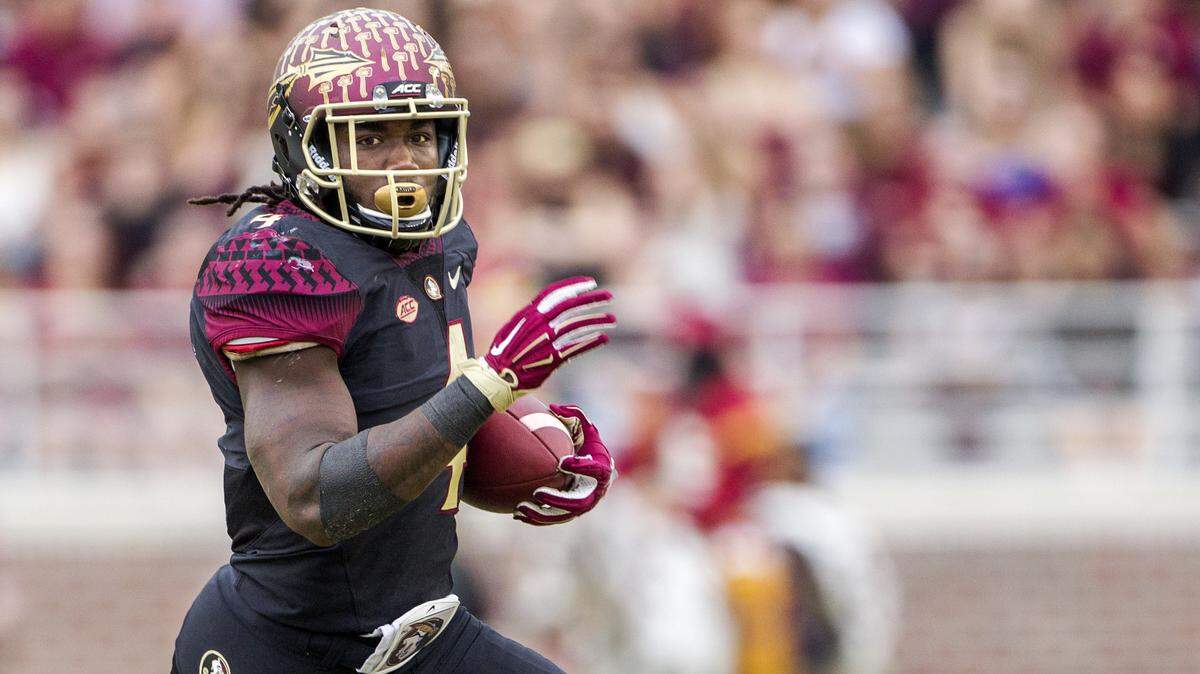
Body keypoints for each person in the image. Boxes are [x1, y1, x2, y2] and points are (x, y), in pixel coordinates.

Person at [172, 9, 617, 673]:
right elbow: (317, 494)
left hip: (421, 633)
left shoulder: (443, 244)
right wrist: (488, 386)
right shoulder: (276, 264)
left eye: (420, 135)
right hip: (288, 649)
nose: (404, 160)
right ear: (308, 147)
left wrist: (538, 440)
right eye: (372, 138)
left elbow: (410, 421)